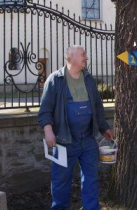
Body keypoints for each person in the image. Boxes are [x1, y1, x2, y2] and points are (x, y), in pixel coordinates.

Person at [38, 45, 113, 210]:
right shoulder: (55, 80)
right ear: (71, 56)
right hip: (64, 141)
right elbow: (45, 110)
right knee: (60, 182)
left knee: (91, 179)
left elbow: (97, 106)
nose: (86, 57)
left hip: (87, 140)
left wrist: (104, 127)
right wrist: (48, 131)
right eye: (83, 54)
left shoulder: (88, 78)